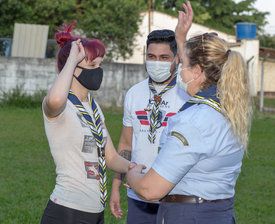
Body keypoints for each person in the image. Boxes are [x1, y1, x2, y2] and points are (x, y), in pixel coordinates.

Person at [126, 1, 253, 224]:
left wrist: (132, 175)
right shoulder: (227, 109)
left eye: (182, 64)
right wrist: (181, 38)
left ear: (197, 71)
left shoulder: (195, 120)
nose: (180, 72)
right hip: (218, 212)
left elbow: (150, 190)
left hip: (190, 216)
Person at [40, 23, 132, 224]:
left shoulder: (93, 106)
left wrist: (132, 168)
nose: (98, 71)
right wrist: (71, 59)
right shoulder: (61, 105)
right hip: (67, 211)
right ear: (72, 68)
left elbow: (111, 158)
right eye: (92, 66)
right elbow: (54, 101)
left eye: (100, 64)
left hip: (95, 210)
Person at [109, 29, 190, 223]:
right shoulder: (134, 94)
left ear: (176, 58)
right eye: (151, 56)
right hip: (138, 195)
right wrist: (115, 187)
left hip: (176, 195)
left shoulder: (187, 94)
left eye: (164, 57)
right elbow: (126, 145)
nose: (156, 62)